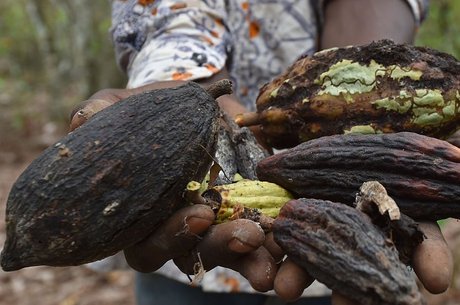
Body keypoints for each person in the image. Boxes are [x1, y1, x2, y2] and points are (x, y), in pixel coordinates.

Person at [71, 1, 454, 304]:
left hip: (328, 245)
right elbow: (170, 16)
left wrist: (360, 84)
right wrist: (186, 80)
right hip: (187, 263)